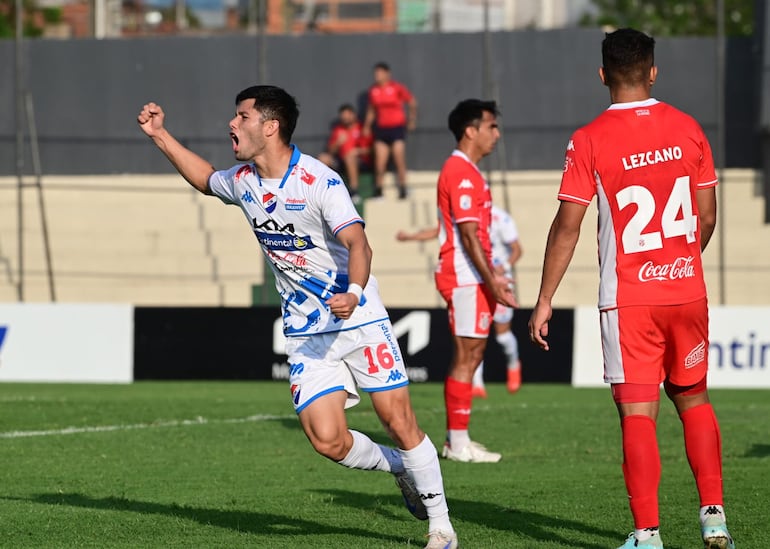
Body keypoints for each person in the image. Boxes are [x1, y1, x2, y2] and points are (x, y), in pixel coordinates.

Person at [137, 85, 458, 549]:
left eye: (242, 116)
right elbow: (206, 179)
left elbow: (359, 245)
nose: (232, 123)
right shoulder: (244, 180)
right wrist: (160, 135)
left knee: (399, 419)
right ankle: (401, 467)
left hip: (357, 317)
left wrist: (351, 291)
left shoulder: (320, 180)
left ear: (269, 127)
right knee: (327, 439)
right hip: (306, 329)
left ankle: (442, 529)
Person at [528, 28, 734, 549]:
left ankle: (647, 535)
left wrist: (546, 297)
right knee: (695, 399)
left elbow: (568, 226)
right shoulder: (690, 129)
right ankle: (715, 521)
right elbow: (706, 218)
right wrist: (680, 262)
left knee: (638, 411)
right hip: (687, 291)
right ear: (653, 71)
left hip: (629, 299)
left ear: (603, 76)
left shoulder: (590, 138)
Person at [433, 99, 517, 463]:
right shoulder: (461, 171)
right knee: (467, 355)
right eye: (491, 126)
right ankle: (457, 442)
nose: (496, 134)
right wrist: (492, 280)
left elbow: (477, 235)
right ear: (471, 130)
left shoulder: (469, 172)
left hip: (474, 275)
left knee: (474, 352)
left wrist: (495, 273)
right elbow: (468, 236)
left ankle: (459, 439)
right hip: (464, 276)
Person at [395, 203, 524, 398]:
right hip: (475, 280)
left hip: (498, 280)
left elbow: (517, 249)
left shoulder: (500, 218)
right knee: (476, 335)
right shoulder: (464, 216)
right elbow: (439, 230)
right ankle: (477, 383)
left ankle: (513, 364)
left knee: (502, 336)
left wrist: (504, 265)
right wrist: (411, 237)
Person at [363, 62, 417, 200]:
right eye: (376, 73)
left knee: (399, 158)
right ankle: (379, 190)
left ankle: (403, 188)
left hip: (396, 128)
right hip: (381, 129)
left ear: (387, 74)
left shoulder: (397, 88)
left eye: (380, 73)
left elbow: (411, 102)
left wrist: (411, 119)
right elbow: (371, 110)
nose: (377, 76)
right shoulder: (373, 91)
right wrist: (367, 126)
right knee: (380, 161)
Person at [318, 103, 372, 204]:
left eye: (348, 116)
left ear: (353, 115)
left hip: (360, 161)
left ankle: (354, 192)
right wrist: (337, 143)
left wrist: (357, 151)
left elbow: (371, 150)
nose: (345, 119)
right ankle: (322, 192)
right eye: (343, 117)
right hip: (341, 161)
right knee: (323, 158)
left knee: (350, 157)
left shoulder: (361, 128)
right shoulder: (338, 130)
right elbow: (330, 151)